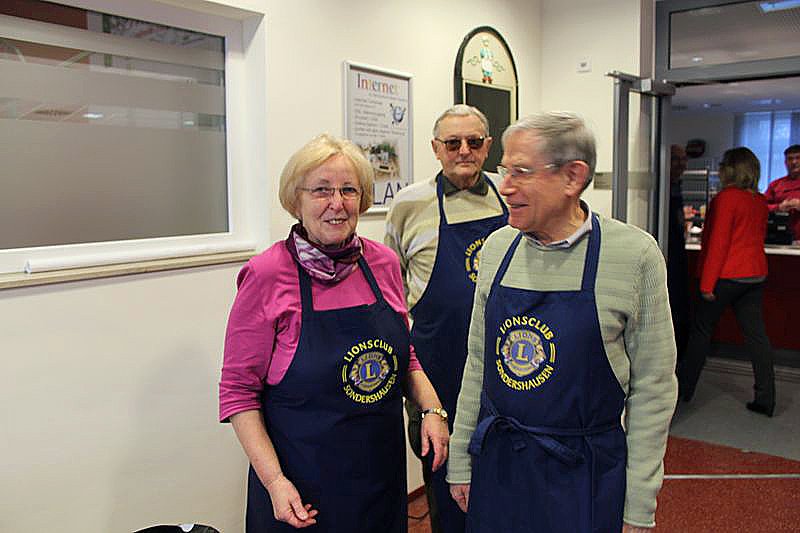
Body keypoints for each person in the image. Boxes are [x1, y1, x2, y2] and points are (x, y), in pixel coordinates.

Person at [447, 112, 678, 532]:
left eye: (521, 172)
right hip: (501, 465)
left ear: (573, 177)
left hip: (584, 475)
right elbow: (477, 363)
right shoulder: (498, 248)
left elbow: (654, 391)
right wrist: (461, 458)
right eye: (504, 171)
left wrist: (640, 504)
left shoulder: (634, 256)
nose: (506, 187)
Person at [219, 134, 449, 532]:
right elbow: (238, 392)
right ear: (296, 199)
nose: (336, 203)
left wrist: (431, 409)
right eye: (321, 190)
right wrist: (274, 482)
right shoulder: (267, 274)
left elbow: (403, 355)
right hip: (301, 490)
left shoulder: (383, 263)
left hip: (379, 480)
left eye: (348, 190)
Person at [385, 104, 507, 533]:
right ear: (436, 148)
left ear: (488, 147)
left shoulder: (511, 197)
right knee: (442, 477)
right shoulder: (408, 204)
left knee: (502, 476)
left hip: (503, 364)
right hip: (437, 366)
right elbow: (392, 290)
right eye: (452, 143)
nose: (464, 152)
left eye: (474, 142)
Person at [678, 147, 773, 416]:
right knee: (757, 336)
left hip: (726, 276)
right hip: (755, 274)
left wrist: (706, 284)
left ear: (729, 170)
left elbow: (717, 244)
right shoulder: (759, 200)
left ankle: (685, 389)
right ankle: (766, 397)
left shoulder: (725, 199)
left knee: (701, 331)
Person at [667, 144, 690, 363]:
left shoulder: (676, 187)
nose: (681, 165)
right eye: (675, 160)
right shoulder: (662, 190)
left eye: (684, 160)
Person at [764, 144, 800, 241]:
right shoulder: (776, 185)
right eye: (790, 159)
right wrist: (779, 207)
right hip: (780, 239)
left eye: (798, 158)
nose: (794, 162)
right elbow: (761, 207)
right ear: (785, 162)